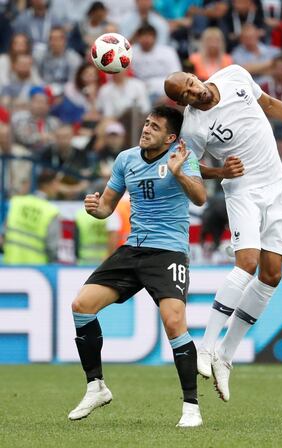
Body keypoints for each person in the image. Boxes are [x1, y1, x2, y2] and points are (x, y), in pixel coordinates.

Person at [164, 64, 282, 402]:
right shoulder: (194, 128)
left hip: (277, 187)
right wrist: (220, 171)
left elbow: (269, 103)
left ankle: (226, 355)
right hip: (242, 190)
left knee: (272, 274)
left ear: (193, 76)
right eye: (184, 95)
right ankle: (206, 347)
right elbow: (191, 169)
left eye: (190, 83)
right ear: (182, 102)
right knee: (247, 262)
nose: (192, 92)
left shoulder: (235, 75)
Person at [68, 105, 207, 427]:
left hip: (168, 252)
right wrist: (95, 208)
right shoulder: (126, 159)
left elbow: (200, 198)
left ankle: (191, 407)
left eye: (155, 127)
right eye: (146, 124)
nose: (146, 129)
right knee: (81, 305)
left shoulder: (182, 155)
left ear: (170, 137)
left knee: (174, 322)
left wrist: (179, 173)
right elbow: (106, 207)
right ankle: (96, 387)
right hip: (133, 249)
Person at [3, 170, 60, 264]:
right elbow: (52, 248)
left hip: (10, 266)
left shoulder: (16, 202)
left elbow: (3, 235)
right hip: (38, 270)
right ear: (50, 184)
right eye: (57, 184)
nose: (58, 188)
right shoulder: (51, 211)